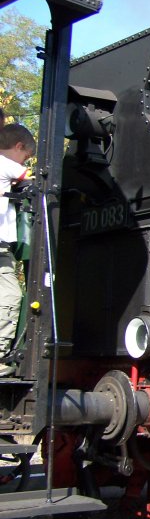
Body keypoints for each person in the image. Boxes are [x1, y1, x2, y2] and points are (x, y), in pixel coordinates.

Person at [0, 123, 35, 374]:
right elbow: (36, 179)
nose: (25, 162)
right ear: (18, 146)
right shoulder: (6, 164)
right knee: (11, 296)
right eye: (26, 157)